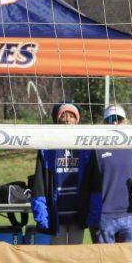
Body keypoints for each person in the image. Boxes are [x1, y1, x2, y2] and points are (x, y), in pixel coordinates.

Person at [80, 105, 132, 244]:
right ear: (104, 123)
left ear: (125, 121)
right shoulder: (95, 148)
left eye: (118, 119)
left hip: (128, 215)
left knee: (131, 261)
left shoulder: (130, 147)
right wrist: (88, 216)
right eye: (111, 119)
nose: (115, 122)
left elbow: (130, 178)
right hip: (105, 217)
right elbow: (86, 184)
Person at [31, 103, 91, 245]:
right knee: (58, 258)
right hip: (56, 216)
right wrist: (42, 217)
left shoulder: (86, 148)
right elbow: (39, 186)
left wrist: (90, 214)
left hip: (78, 216)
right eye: (64, 115)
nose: (67, 119)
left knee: (75, 257)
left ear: (77, 121)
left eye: (71, 116)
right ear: (57, 120)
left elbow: (92, 184)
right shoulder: (48, 149)